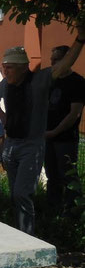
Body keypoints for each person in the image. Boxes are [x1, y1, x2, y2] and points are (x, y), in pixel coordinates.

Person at [0, 26, 85, 235]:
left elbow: (64, 65)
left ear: (24, 67)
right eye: (4, 67)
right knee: (15, 193)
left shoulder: (39, 80)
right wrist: (3, 117)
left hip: (31, 146)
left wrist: (80, 39)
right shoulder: (6, 84)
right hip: (11, 146)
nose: (5, 71)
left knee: (22, 193)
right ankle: (20, 232)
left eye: (10, 67)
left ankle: (28, 238)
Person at [44, 45, 85, 215]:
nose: (52, 63)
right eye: (51, 59)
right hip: (47, 136)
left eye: (57, 59)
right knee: (51, 175)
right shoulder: (50, 80)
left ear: (67, 60)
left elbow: (74, 113)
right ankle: (52, 211)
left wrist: (55, 131)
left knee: (68, 176)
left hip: (65, 138)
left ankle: (73, 212)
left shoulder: (77, 82)